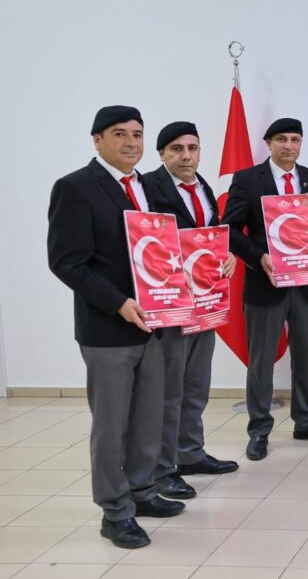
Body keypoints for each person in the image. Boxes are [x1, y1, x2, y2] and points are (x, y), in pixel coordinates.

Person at [47, 106, 185, 549]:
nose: (131, 142)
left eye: (138, 134)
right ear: (97, 140)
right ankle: (114, 510)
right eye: (120, 134)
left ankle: (143, 492)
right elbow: (67, 262)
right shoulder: (75, 187)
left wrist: (210, 258)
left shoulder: (147, 187)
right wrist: (120, 303)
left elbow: (168, 245)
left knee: (149, 417)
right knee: (111, 424)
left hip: (156, 324)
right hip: (109, 329)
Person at [223, 117, 308, 461]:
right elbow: (230, 229)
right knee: (260, 360)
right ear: (269, 144)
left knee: (306, 356)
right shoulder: (247, 180)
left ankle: (306, 420)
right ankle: (259, 429)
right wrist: (259, 258)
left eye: (295, 139)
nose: (288, 145)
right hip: (266, 283)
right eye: (281, 140)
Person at [143, 121, 240, 499]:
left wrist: (227, 254)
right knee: (169, 389)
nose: (186, 156)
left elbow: (210, 235)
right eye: (177, 149)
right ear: (163, 154)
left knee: (196, 385)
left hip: (206, 299)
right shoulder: (149, 188)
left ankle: (190, 453)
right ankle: (162, 467)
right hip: (172, 302)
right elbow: (147, 240)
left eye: (193, 148)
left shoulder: (204, 187)